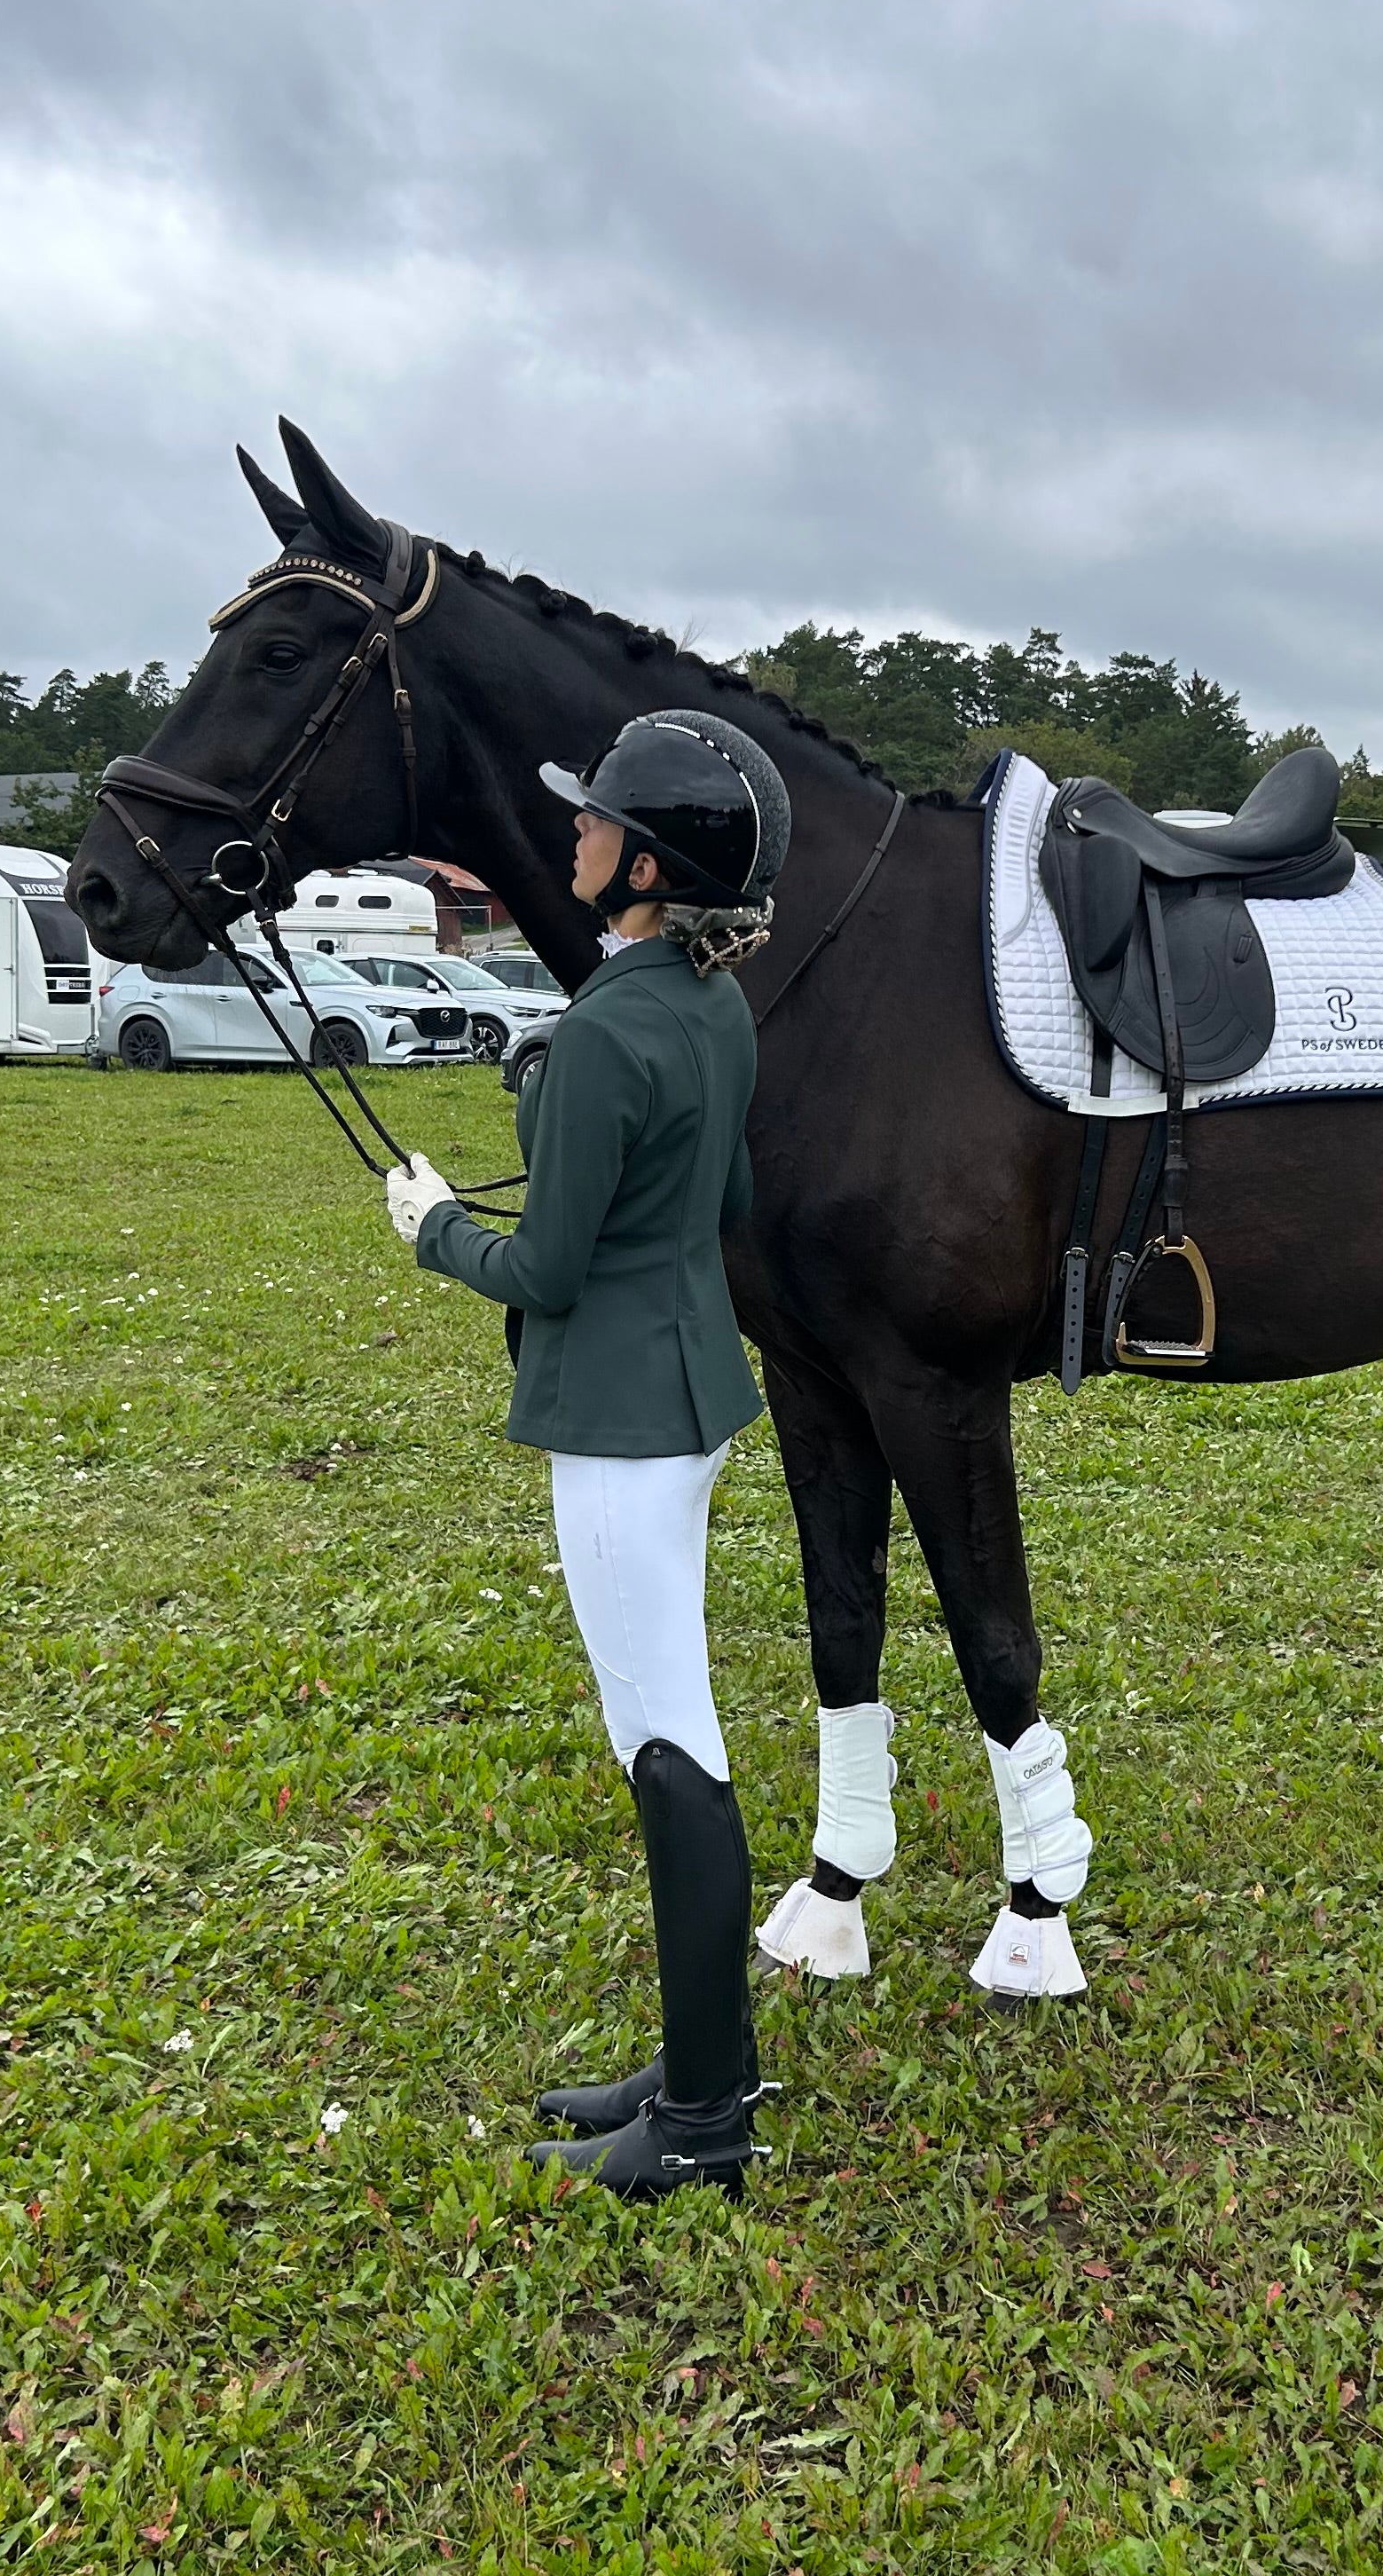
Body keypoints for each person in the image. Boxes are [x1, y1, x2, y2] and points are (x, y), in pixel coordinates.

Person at [385, 709, 790, 2200]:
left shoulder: (611, 1028)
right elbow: (722, 1199)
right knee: (674, 1737)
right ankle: (703, 2066)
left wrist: (436, 1226)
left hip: (619, 1422)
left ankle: (703, 2122)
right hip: (690, 1396)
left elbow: (546, 1271)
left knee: (668, 1749)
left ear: (649, 867)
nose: (575, 830)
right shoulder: (708, 1004)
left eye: (597, 819)